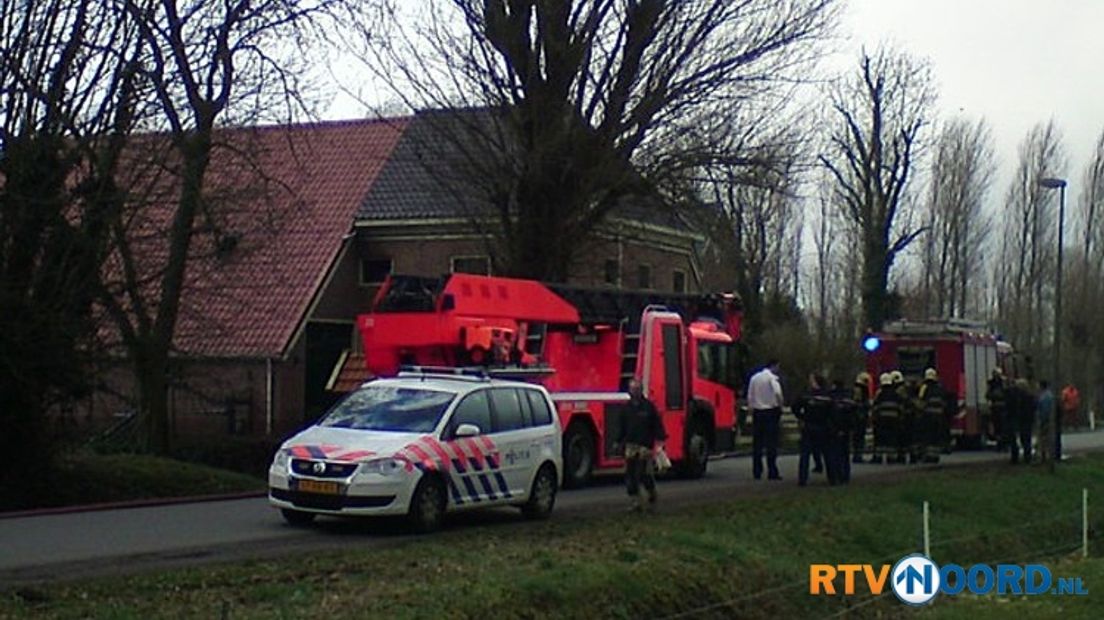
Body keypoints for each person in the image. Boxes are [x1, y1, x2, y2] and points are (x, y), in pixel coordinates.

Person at [616, 377, 667, 511]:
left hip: (645, 446)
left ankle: (651, 494)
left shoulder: (649, 407)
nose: (634, 391)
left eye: (637, 389)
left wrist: (660, 441)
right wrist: (617, 441)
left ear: (641, 390)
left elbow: (657, 425)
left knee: (643, 474)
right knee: (630, 475)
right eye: (632, 389)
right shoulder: (625, 408)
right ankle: (635, 502)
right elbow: (621, 427)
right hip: (630, 446)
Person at [747, 360, 784, 480]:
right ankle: (772, 470)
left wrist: (751, 409)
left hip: (758, 412)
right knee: (771, 444)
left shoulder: (754, 378)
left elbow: (750, 396)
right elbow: (778, 393)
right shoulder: (772, 379)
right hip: (770, 411)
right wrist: (780, 406)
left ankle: (757, 471)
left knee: (757, 444)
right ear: (773, 366)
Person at [794, 374, 833, 486]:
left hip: (809, 425)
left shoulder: (806, 396)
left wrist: (802, 417)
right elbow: (832, 410)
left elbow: (795, 407)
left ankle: (802, 479)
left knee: (805, 454)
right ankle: (832, 478)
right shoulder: (827, 396)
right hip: (823, 426)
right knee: (827, 453)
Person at [871, 373, 905, 464]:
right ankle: (891, 457)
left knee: (880, 438)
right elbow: (901, 408)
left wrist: (873, 418)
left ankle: (878, 457)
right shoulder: (896, 394)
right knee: (892, 438)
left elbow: (875, 408)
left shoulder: (880, 394)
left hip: (881, 420)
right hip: (894, 420)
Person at [917, 368, 949, 463]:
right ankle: (935, 456)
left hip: (928, 416)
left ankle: (928, 456)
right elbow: (944, 403)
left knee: (928, 437)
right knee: (936, 437)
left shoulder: (924, 387)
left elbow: (920, 402)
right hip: (939, 417)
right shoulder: (940, 388)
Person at [829, 378, 856, 483]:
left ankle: (837, 476)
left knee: (835, 454)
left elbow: (832, 415)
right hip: (846, 429)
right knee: (845, 454)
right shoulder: (849, 398)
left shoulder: (832, 398)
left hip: (835, 429)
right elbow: (853, 414)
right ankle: (846, 476)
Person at [1007, 378, 1035, 465]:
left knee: (1024, 439)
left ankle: (1025, 457)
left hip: (1024, 420)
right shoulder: (1026, 397)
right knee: (1023, 439)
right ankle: (1025, 457)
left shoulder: (1026, 397)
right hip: (1022, 420)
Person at [851, 372, 872, 464]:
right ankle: (857, 455)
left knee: (858, 436)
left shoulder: (858, 388)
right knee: (859, 436)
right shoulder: (859, 389)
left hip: (858, 415)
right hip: (859, 416)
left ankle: (858, 454)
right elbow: (858, 402)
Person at [987, 369, 1008, 451]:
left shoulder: (1003, 382)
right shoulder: (991, 383)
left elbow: (1007, 392)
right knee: (998, 427)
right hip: (996, 407)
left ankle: (1003, 444)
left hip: (1002, 407)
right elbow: (988, 394)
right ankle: (1000, 444)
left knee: (1002, 427)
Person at [1036, 380, 1055, 464]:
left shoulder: (1044, 397)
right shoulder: (1049, 395)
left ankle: (1044, 457)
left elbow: (1044, 410)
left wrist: (1042, 419)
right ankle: (1047, 456)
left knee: (1043, 439)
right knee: (1046, 439)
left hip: (1045, 420)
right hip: (1049, 419)